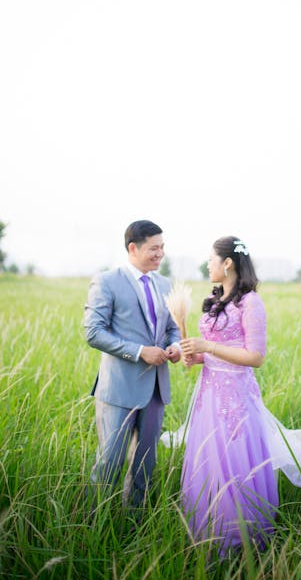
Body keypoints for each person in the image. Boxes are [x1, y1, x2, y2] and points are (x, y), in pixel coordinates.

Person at [162, 236, 301, 556]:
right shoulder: (213, 300)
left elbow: (255, 356)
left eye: (211, 258)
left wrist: (207, 346)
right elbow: (212, 354)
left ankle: (238, 540)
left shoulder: (250, 302)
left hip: (236, 397)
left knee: (236, 463)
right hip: (208, 394)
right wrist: (195, 356)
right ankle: (207, 532)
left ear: (228, 263)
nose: (206, 264)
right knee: (209, 460)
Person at [85, 220, 181, 513]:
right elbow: (93, 332)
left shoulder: (165, 284)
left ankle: (135, 524)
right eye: (154, 248)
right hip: (119, 388)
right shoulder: (107, 281)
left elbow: (172, 328)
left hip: (155, 389)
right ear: (132, 248)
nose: (160, 254)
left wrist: (175, 345)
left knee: (145, 464)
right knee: (110, 463)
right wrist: (140, 352)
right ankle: (95, 522)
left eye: (162, 247)